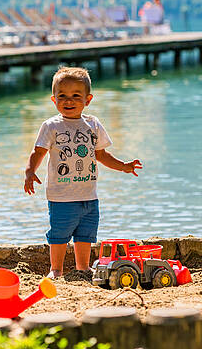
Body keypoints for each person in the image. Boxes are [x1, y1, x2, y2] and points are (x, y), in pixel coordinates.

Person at [24, 67, 143, 279]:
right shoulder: (51, 126)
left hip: (89, 195)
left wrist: (124, 166)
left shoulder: (93, 124)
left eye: (75, 96)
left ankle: (83, 267)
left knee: (85, 235)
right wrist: (30, 171)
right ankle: (56, 269)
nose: (68, 101)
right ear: (54, 100)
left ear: (87, 100)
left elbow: (102, 155)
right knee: (59, 235)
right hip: (61, 196)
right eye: (62, 96)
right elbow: (38, 151)